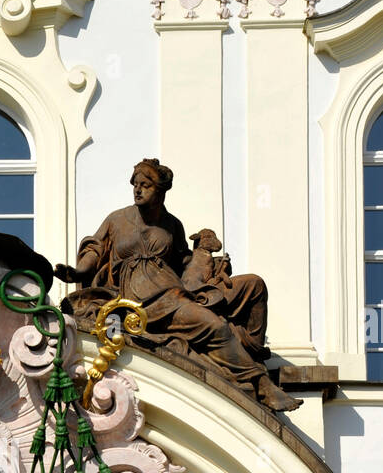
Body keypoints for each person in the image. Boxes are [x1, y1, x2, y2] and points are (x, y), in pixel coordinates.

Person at [63, 159, 301, 413]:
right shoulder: (117, 219)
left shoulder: (172, 225)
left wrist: (207, 259)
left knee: (236, 303)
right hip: (135, 303)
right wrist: (77, 272)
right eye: (135, 184)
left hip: (169, 294)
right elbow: (94, 251)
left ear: (161, 190)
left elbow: (183, 261)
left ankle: (258, 375)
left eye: (145, 185)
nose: (137, 190)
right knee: (215, 325)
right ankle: (259, 381)